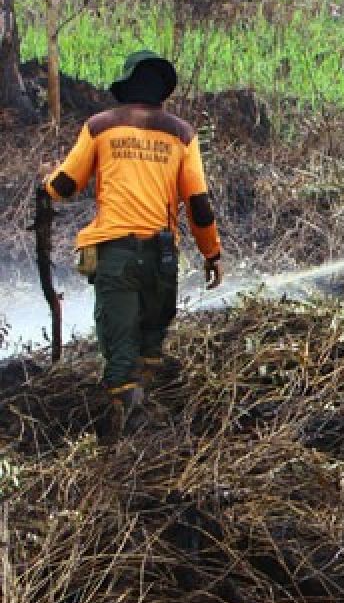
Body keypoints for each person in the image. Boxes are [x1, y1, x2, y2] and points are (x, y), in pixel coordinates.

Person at [41, 50, 223, 445]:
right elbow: (199, 205)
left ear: (126, 88)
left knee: (120, 359)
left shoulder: (100, 127)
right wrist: (212, 254)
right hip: (162, 258)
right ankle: (151, 433)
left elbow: (64, 187)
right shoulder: (182, 134)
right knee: (149, 350)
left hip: (117, 256)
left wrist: (47, 184)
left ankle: (131, 452)